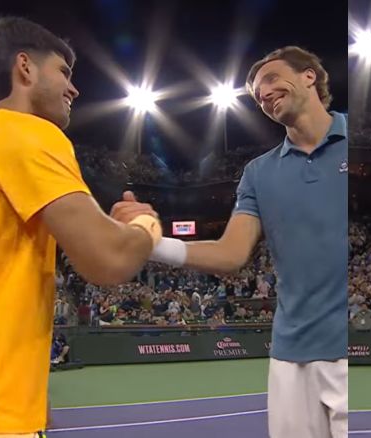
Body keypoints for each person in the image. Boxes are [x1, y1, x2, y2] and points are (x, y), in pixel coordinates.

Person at [114, 46, 347, 438]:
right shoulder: (258, 173)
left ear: (309, 76)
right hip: (290, 356)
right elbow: (230, 253)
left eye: (272, 79)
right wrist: (148, 241)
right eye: (257, 94)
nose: (264, 93)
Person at [0, 17, 161, 438]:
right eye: (64, 72)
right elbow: (108, 260)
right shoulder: (27, 132)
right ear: (25, 68)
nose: (74, 88)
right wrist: (145, 224)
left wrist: (31, 391)